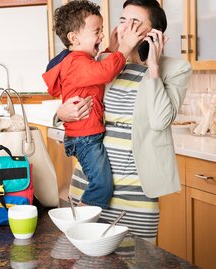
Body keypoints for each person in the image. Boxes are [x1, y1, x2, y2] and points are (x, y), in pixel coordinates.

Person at [56, 0, 192, 243]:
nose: (126, 28)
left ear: (154, 33)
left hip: (136, 194)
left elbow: (160, 120)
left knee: (134, 260)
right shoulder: (101, 63)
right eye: (122, 21)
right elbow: (72, 103)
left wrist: (153, 67)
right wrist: (61, 115)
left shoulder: (175, 69)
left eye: (136, 23)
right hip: (89, 187)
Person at [43, 0, 145, 209]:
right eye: (96, 31)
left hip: (86, 137)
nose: (101, 35)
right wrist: (124, 49)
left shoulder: (80, 61)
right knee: (102, 186)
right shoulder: (75, 62)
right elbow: (104, 72)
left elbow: (97, 67)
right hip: (85, 139)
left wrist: (113, 49)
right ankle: (79, 220)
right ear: (74, 38)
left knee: (100, 183)